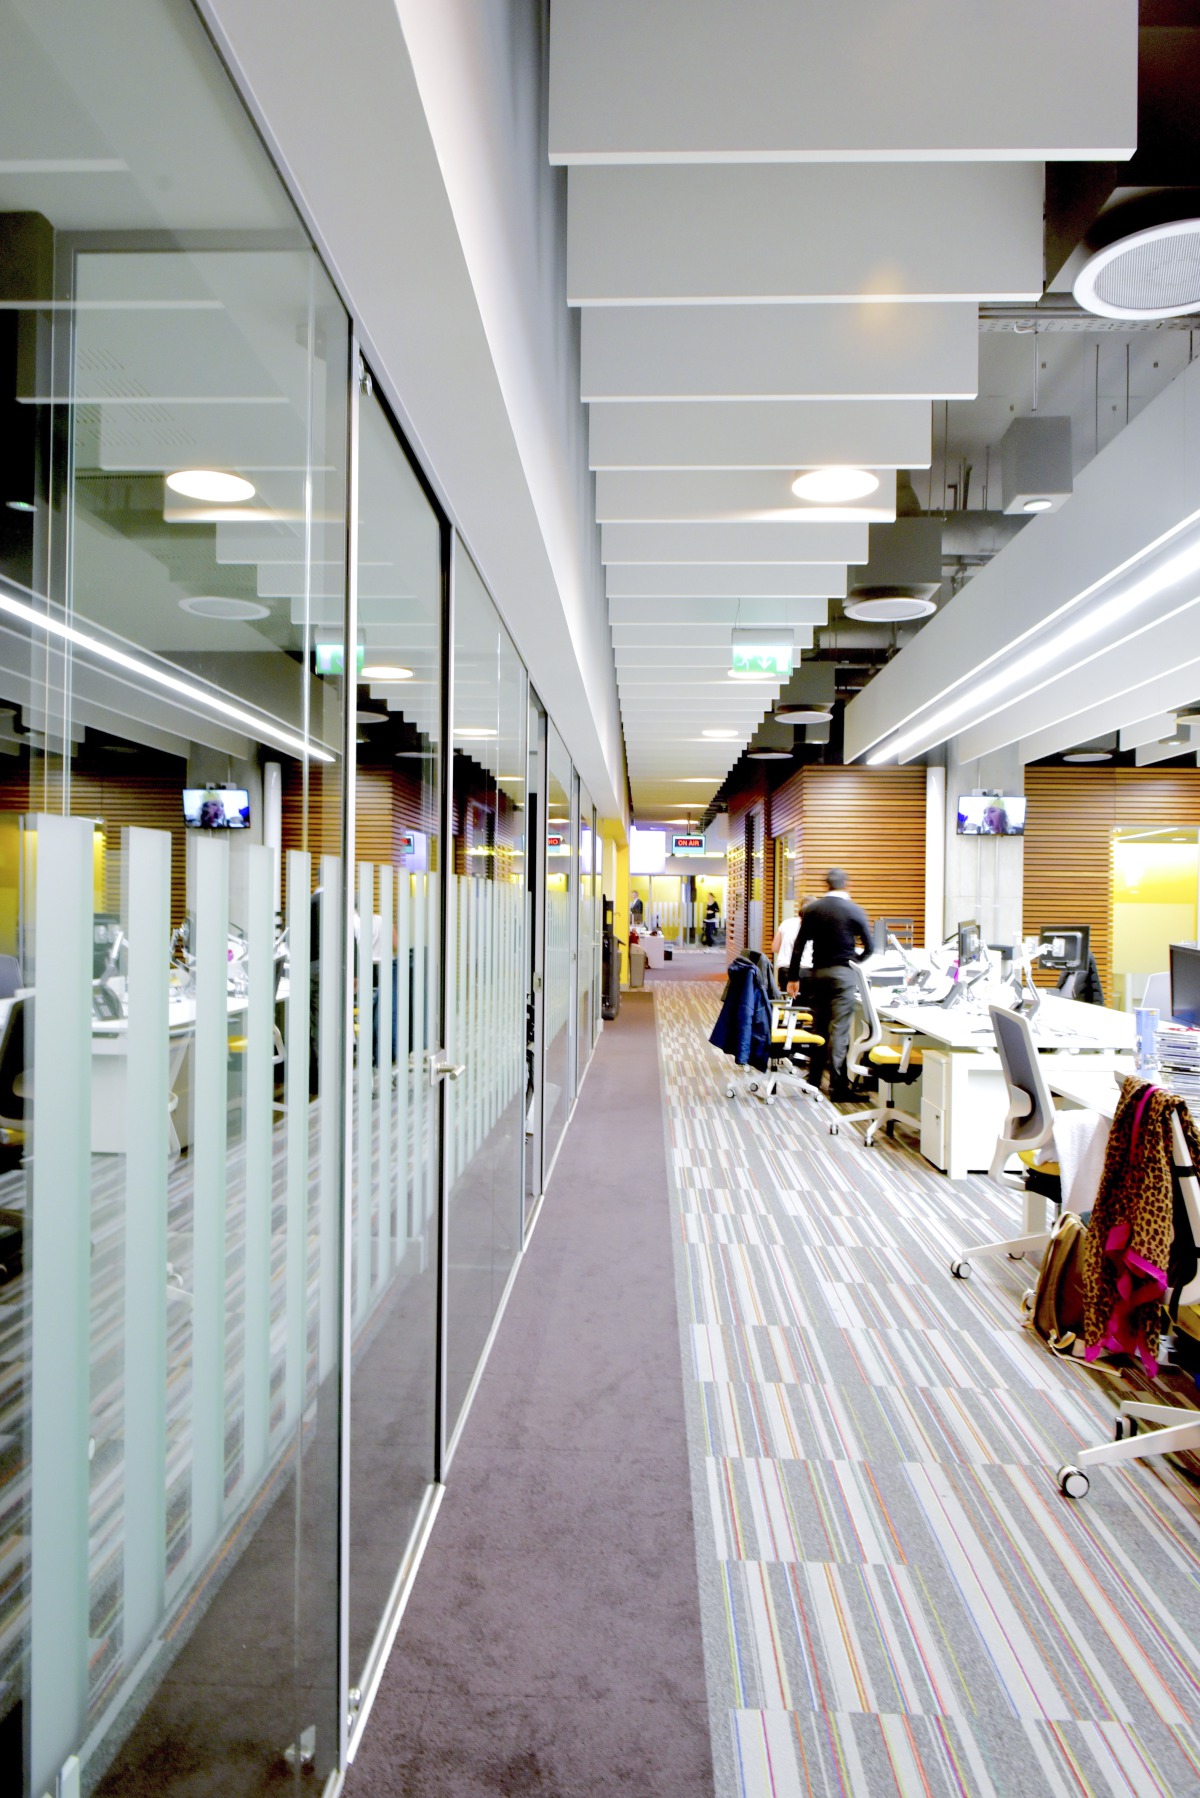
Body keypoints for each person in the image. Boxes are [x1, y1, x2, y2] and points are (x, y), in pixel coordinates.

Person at [783, 868, 871, 1100]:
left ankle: (813, 1079)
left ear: (827, 885)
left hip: (818, 974)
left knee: (819, 1027)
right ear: (847, 885)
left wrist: (793, 978)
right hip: (843, 975)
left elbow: (799, 946)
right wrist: (854, 962)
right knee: (839, 1031)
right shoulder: (854, 910)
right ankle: (837, 1088)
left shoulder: (813, 909)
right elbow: (870, 946)